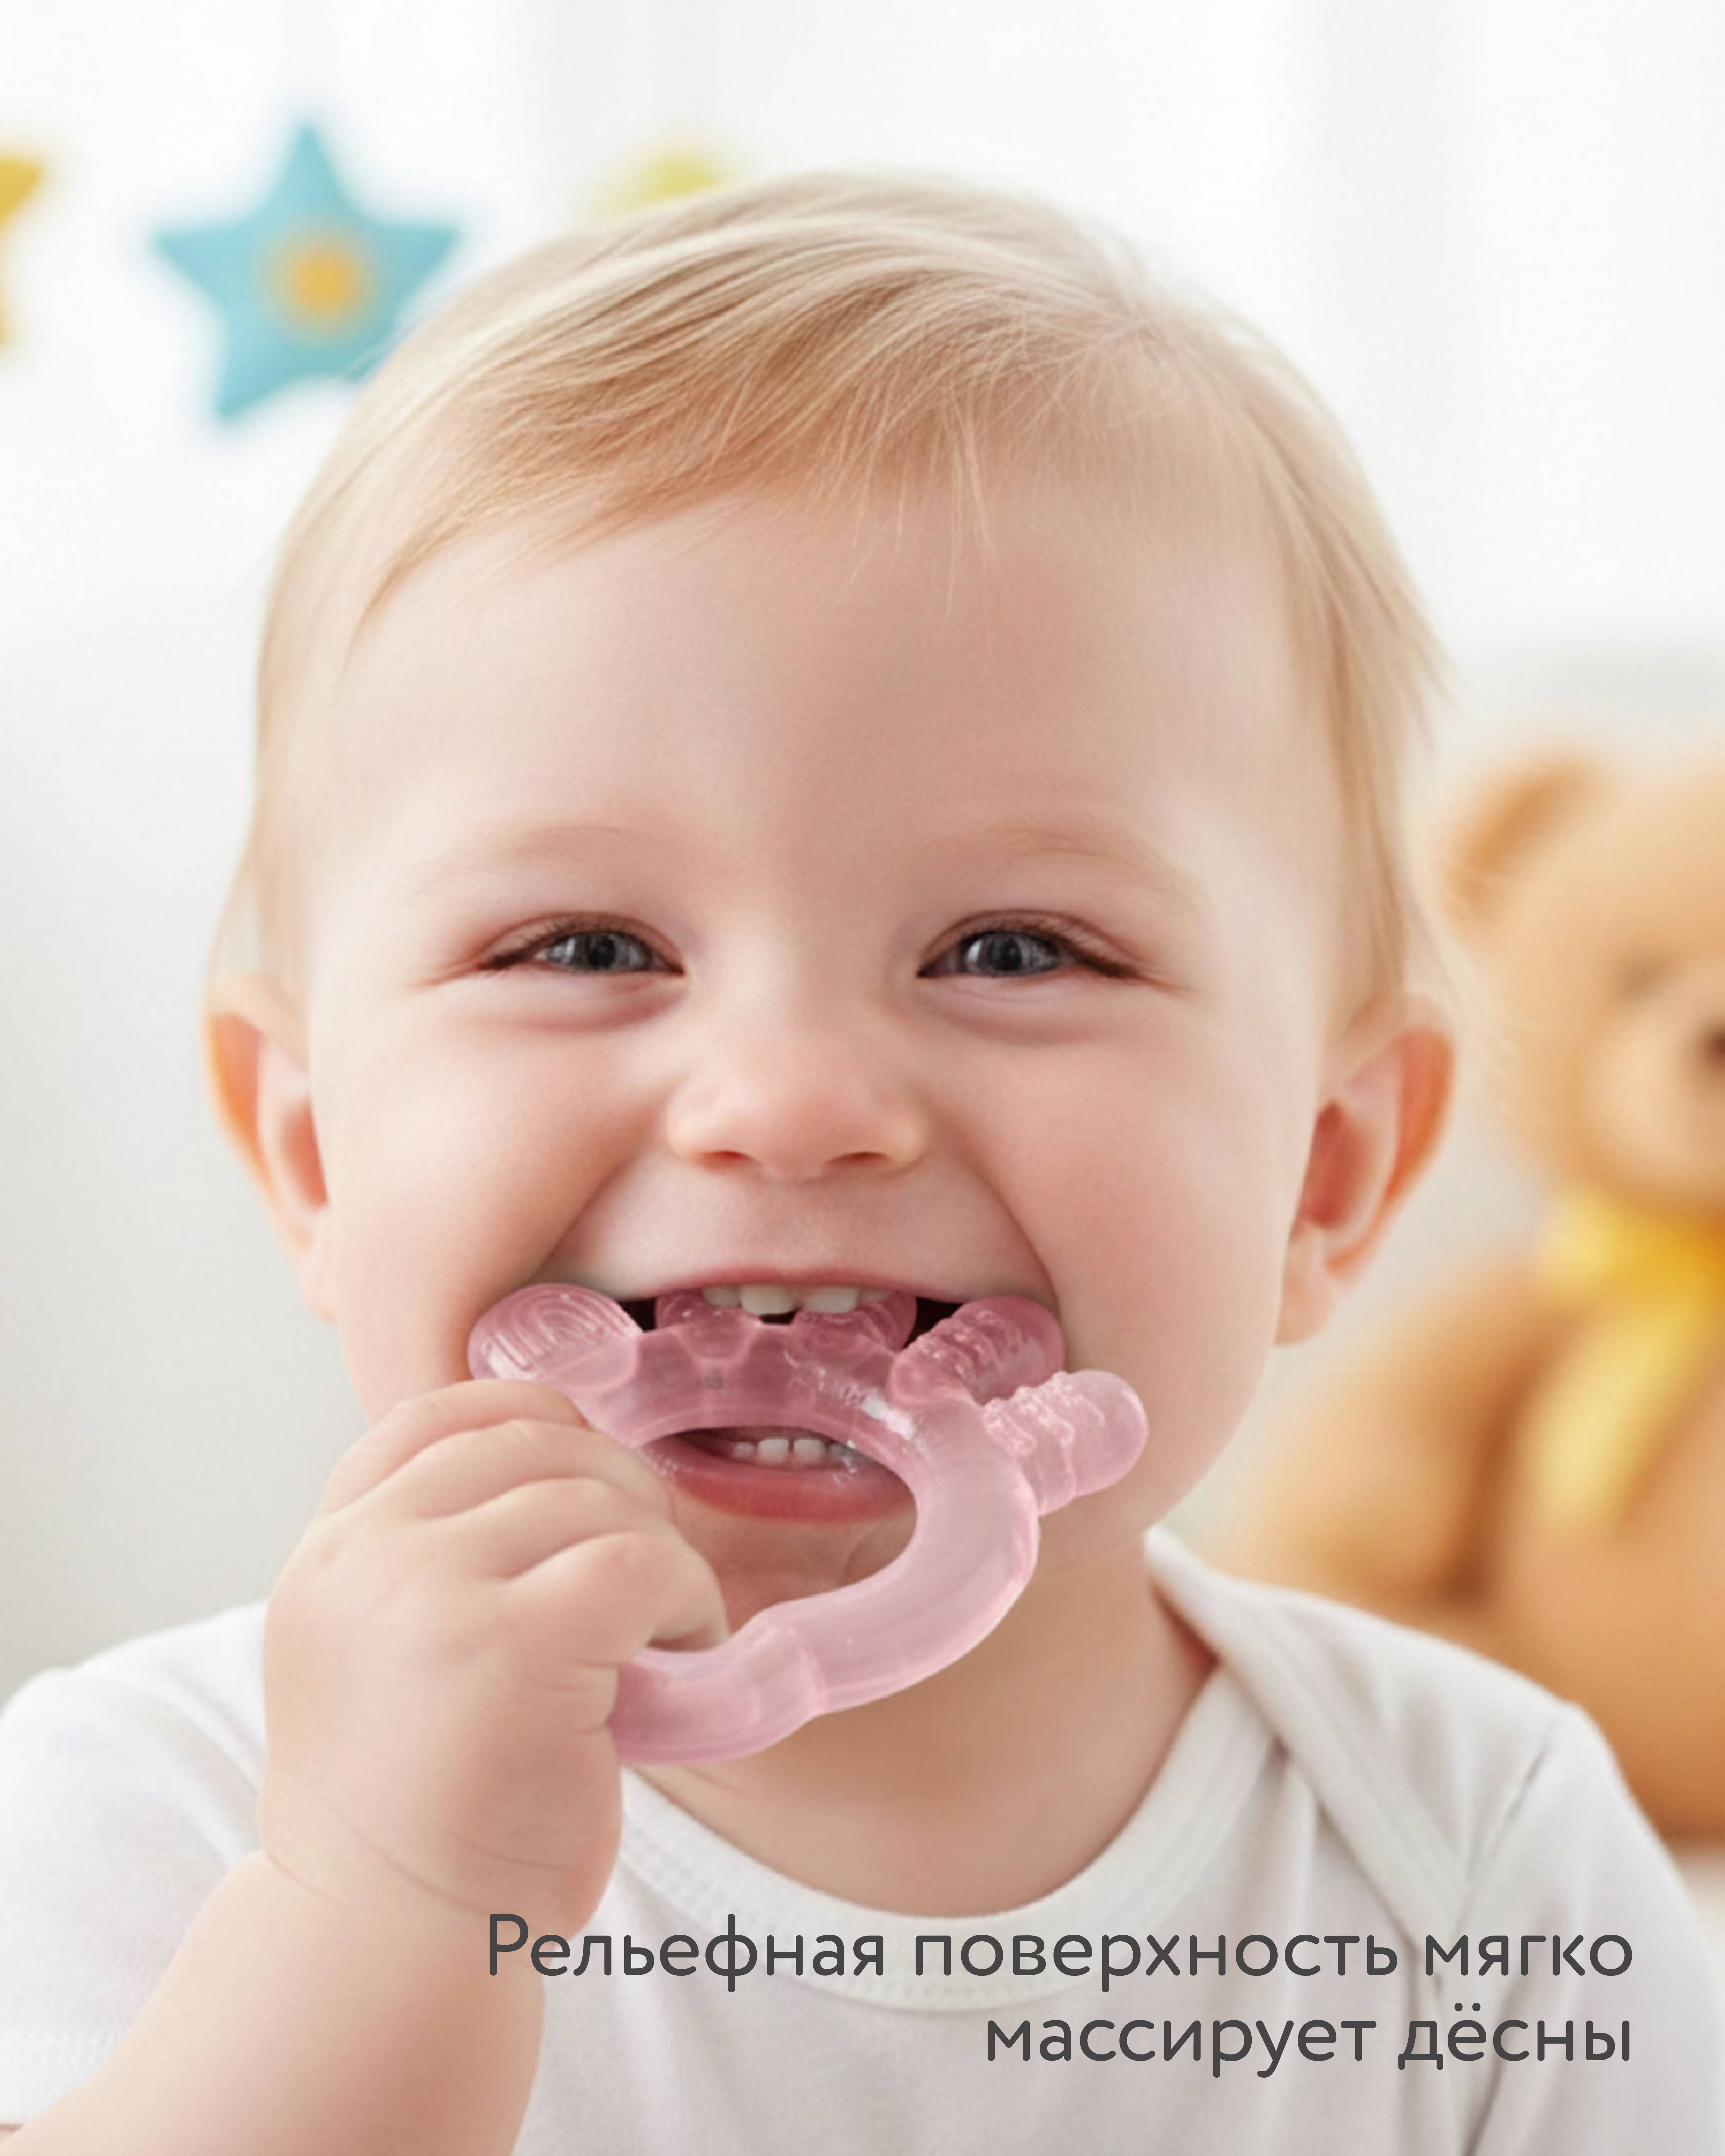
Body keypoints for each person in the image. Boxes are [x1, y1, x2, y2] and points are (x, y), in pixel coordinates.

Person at [0, 172, 1713, 2154]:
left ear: (1325, 1178)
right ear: (310, 1154)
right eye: (587, 947)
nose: (792, 1098)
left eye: (1014, 949)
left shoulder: (1483, 1858)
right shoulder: (158, 1807)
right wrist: (380, 1908)